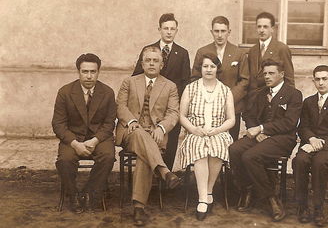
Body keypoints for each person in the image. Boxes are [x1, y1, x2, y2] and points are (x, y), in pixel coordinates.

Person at [229, 59, 302, 222]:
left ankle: (272, 199)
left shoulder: (294, 94)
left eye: (271, 73)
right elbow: (249, 115)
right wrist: (257, 131)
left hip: (283, 139)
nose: (267, 76)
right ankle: (246, 189)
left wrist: (262, 129)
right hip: (260, 137)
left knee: (250, 156)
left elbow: (289, 123)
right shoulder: (260, 93)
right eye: (265, 73)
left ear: (281, 75)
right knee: (234, 150)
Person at [116, 46, 181, 226]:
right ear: (142, 63)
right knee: (139, 134)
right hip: (131, 132)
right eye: (148, 60)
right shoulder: (129, 82)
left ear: (162, 64)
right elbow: (120, 106)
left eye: (156, 61)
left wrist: (161, 127)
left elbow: (174, 113)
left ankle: (138, 208)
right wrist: (130, 122)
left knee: (145, 154)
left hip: (156, 135)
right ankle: (164, 171)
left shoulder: (170, 86)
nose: (152, 64)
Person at [52, 53, 116, 213]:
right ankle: (73, 195)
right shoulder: (65, 92)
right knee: (65, 160)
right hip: (73, 138)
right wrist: (75, 143)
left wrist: (94, 141)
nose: (89, 76)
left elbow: (109, 123)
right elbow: (58, 124)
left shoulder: (107, 92)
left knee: (108, 157)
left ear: (98, 72)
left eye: (93, 72)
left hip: (99, 139)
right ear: (78, 72)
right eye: (84, 71)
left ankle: (89, 193)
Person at [176, 53, 235, 221]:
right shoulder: (190, 88)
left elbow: (231, 119)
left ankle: (209, 190)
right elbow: (182, 116)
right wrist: (194, 129)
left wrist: (217, 130)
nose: (209, 70)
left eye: (212, 66)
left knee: (217, 147)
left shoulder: (225, 90)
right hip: (196, 131)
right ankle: (203, 199)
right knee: (200, 149)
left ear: (217, 69)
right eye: (205, 66)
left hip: (218, 131)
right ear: (200, 68)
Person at [292, 65, 328, 227]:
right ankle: (302, 206)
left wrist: (318, 145)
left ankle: (318, 208)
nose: (321, 83)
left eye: (324, 79)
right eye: (317, 79)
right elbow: (303, 126)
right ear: (313, 81)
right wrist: (311, 139)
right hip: (311, 143)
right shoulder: (309, 102)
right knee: (299, 161)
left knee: (319, 162)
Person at [132, 13, 191, 170]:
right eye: (166, 28)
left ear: (176, 30)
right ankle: (150, 176)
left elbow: (185, 82)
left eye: (172, 29)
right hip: (149, 105)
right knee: (148, 139)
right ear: (159, 29)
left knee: (170, 142)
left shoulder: (182, 53)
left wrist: (177, 105)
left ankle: (166, 179)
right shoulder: (148, 51)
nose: (169, 32)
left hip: (172, 105)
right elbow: (137, 77)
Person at [191, 16, 249, 141]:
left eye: (223, 31)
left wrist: (228, 98)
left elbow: (245, 80)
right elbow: (195, 78)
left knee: (230, 145)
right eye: (216, 31)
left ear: (229, 32)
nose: (220, 35)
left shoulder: (239, 53)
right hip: (206, 105)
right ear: (212, 32)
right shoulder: (202, 51)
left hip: (232, 107)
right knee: (207, 142)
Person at [244, 12, 295, 119]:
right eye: (259, 27)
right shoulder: (252, 51)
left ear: (272, 29)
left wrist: (286, 102)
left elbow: (289, 79)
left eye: (265, 27)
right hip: (254, 103)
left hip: (273, 103)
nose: (262, 30)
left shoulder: (282, 48)